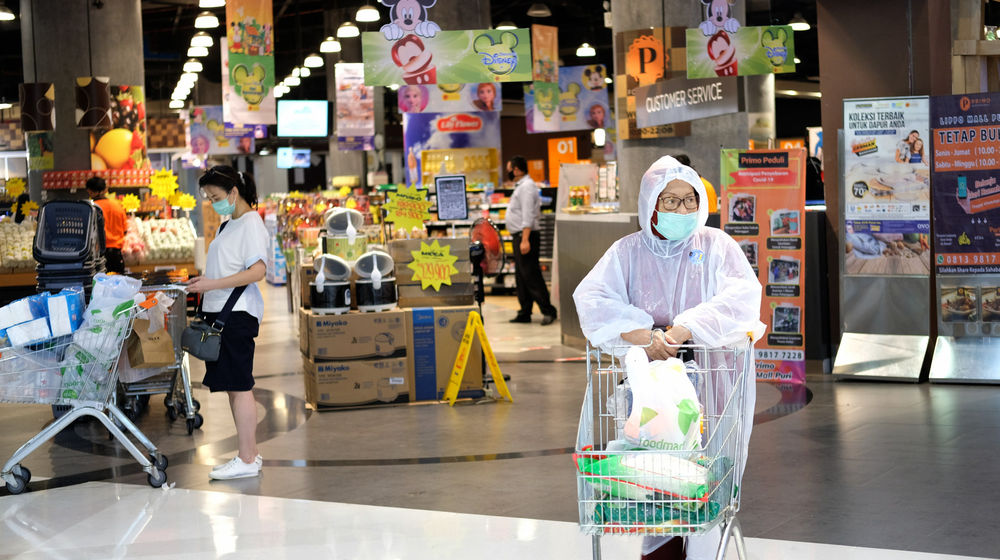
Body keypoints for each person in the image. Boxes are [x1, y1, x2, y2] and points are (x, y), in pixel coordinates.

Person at [573, 156, 764, 560]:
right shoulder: (626, 253)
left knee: (705, 476)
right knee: (654, 474)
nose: (682, 210)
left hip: (714, 382)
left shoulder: (716, 246)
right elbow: (593, 300)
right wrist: (642, 333)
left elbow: (741, 298)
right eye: (670, 201)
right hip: (650, 390)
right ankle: (658, 550)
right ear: (650, 204)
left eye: (689, 200)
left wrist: (684, 328)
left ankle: (700, 549)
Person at [186, 166, 269, 481]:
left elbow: (257, 271)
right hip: (221, 313)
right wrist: (206, 283)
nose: (212, 202)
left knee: (240, 385)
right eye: (208, 197)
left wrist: (212, 284)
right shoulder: (227, 225)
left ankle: (247, 457)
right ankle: (250, 454)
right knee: (235, 387)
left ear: (234, 192)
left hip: (237, 315)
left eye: (216, 196)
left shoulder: (250, 223)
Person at [505, 155, 557, 325]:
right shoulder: (521, 186)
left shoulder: (527, 187)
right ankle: (525, 311)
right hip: (520, 235)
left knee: (531, 275)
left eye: (509, 170)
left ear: (517, 170)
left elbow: (528, 215)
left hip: (525, 235)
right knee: (521, 275)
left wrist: (525, 239)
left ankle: (548, 310)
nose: (508, 173)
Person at [86, 176, 127, 274]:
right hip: (117, 254)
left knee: (101, 286)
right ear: (105, 189)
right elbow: (125, 230)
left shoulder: (91, 208)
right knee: (118, 284)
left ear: (91, 191)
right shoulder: (117, 206)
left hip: (99, 255)